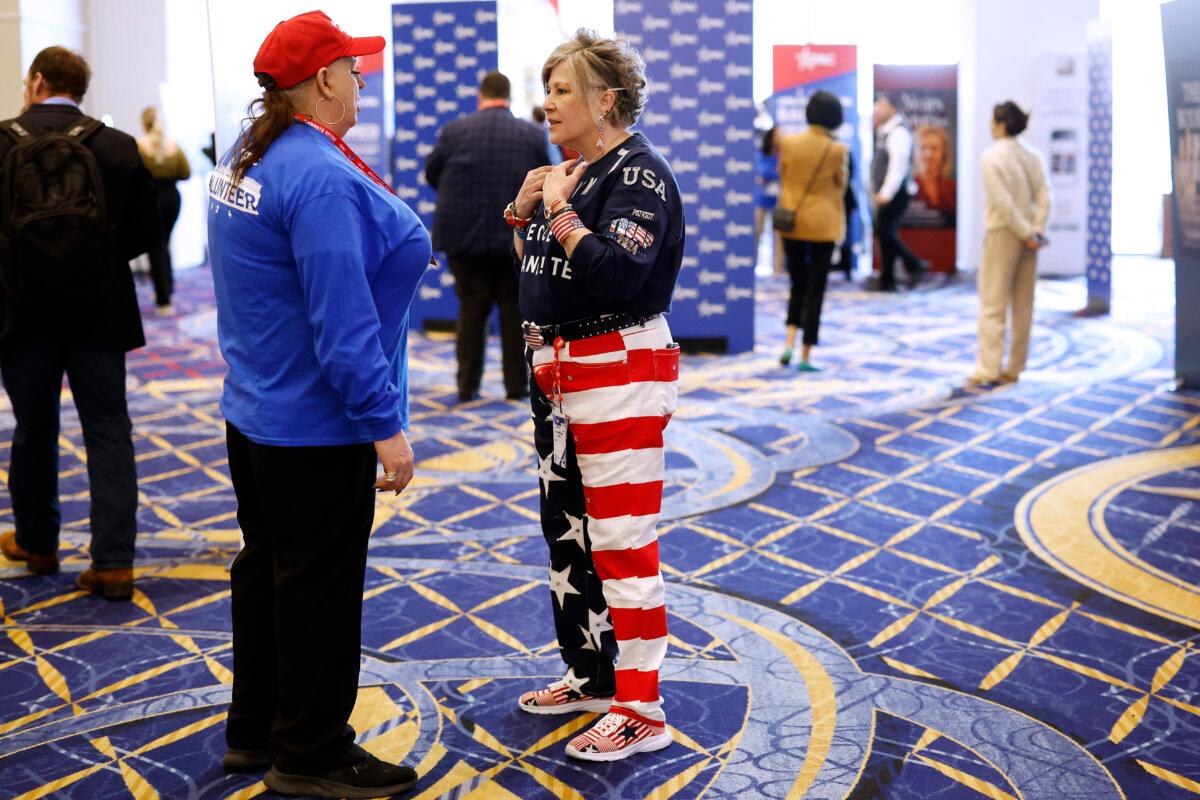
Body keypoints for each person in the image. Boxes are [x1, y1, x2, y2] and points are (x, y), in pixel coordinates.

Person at [206, 11, 427, 797]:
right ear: (324, 80)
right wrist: (385, 427)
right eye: (353, 67)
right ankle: (312, 752)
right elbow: (342, 327)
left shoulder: (252, 154)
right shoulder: (319, 178)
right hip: (315, 426)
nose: (363, 78)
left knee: (270, 572)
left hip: (257, 412)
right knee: (319, 593)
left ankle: (256, 729)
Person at [509, 29, 684, 762]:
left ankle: (643, 709)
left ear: (604, 100)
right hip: (559, 375)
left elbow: (613, 275)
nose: (545, 103)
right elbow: (546, 270)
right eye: (545, 88)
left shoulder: (639, 175)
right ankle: (592, 673)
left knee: (621, 542)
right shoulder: (576, 170)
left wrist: (558, 211)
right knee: (570, 537)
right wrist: (526, 216)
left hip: (616, 369)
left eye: (560, 89)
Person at [0, 47, 159, 600]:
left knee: (32, 427)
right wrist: (105, 260)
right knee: (109, 430)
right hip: (99, 310)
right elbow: (149, 226)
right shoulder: (117, 147)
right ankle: (113, 563)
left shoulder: (0, 142)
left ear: (37, 81)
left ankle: (38, 544)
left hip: (19, 313)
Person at [425, 71, 550, 402]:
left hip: (464, 237)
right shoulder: (531, 134)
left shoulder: (454, 132)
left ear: (481, 95)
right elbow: (548, 183)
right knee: (514, 312)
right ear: (508, 97)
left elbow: (432, 174)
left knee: (471, 310)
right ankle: (515, 387)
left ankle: (467, 386)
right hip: (514, 237)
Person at [971, 100, 1050, 387]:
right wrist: (1035, 231)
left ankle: (988, 368)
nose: (990, 126)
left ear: (1001, 124)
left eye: (992, 121)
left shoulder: (991, 157)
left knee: (992, 301)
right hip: (1028, 238)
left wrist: (1026, 231)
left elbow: (1002, 202)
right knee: (1023, 303)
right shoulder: (1033, 156)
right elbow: (1044, 195)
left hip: (1003, 233)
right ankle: (1015, 367)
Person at [775, 91, 849, 372]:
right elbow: (841, 185)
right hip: (823, 224)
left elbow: (784, 176)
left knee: (797, 284)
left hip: (792, 222)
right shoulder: (837, 149)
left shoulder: (789, 143)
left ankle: (788, 343)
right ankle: (806, 355)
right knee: (816, 289)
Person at [137, 106, 191, 315]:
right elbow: (186, 173)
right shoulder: (174, 147)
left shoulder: (139, 146)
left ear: (144, 123)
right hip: (173, 198)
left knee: (155, 247)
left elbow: (135, 175)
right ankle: (167, 288)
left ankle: (163, 300)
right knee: (164, 243)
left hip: (152, 199)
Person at [871, 93, 927, 290]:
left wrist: (886, 193)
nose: (877, 109)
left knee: (885, 232)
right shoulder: (886, 131)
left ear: (893, 109)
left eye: (882, 105)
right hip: (890, 192)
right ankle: (888, 278)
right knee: (884, 234)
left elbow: (898, 166)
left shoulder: (898, 133)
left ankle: (914, 265)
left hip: (895, 192)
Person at [754, 126, 784, 274]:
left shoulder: (783, 155)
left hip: (778, 200)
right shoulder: (761, 154)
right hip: (761, 199)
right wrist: (773, 173)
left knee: (778, 236)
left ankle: (777, 269)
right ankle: (753, 266)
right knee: (757, 232)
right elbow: (763, 172)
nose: (781, 137)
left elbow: (782, 174)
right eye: (778, 134)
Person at [913, 124, 956, 223]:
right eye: (922, 148)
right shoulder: (906, 189)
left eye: (934, 148)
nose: (929, 155)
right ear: (914, 153)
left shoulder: (954, 189)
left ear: (944, 153)